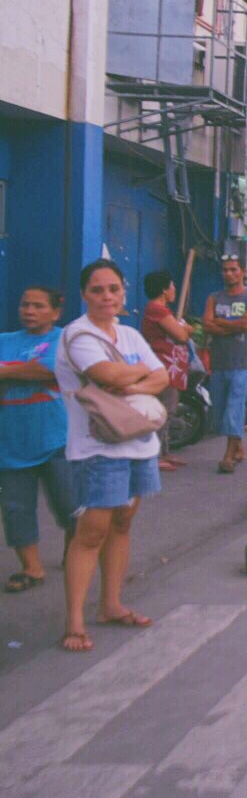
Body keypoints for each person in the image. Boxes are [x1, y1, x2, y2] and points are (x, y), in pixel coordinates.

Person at [56, 260, 170, 652]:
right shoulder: (78, 335)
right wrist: (136, 374)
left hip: (138, 441)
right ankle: (74, 622)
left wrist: (130, 374)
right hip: (97, 445)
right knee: (91, 532)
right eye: (97, 290)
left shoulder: (130, 334)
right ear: (83, 294)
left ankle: (111, 604)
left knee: (122, 523)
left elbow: (163, 376)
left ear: (124, 293)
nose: (107, 297)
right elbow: (109, 376)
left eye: (114, 289)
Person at [1, 286, 74, 594]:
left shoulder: (63, 340)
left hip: (57, 437)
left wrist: (5, 371)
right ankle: (31, 568)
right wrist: (24, 372)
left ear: (55, 312)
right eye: (25, 304)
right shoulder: (5, 341)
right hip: (11, 442)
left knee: (72, 504)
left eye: (38, 306)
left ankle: (75, 554)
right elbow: (36, 372)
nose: (29, 310)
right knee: (17, 508)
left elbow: (49, 368)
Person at [201, 255, 247, 474]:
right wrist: (233, 325)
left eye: (234, 269)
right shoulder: (214, 298)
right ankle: (239, 447)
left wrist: (219, 323)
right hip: (218, 362)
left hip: (242, 362)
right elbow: (206, 324)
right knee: (219, 409)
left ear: (242, 272)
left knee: (235, 406)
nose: (229, 274)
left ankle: (228, 456)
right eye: (225, 270)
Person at [140, 270, 194, 472]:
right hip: (163, 367)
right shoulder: (157, 310)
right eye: (172, 286)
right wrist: (186, 330)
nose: (174, 290)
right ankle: (153, 456)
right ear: (164, 289)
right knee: (163, 410)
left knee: (168, 409)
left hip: (171, 369)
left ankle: (163, 452)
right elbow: (181, 334)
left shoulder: (163, 310)